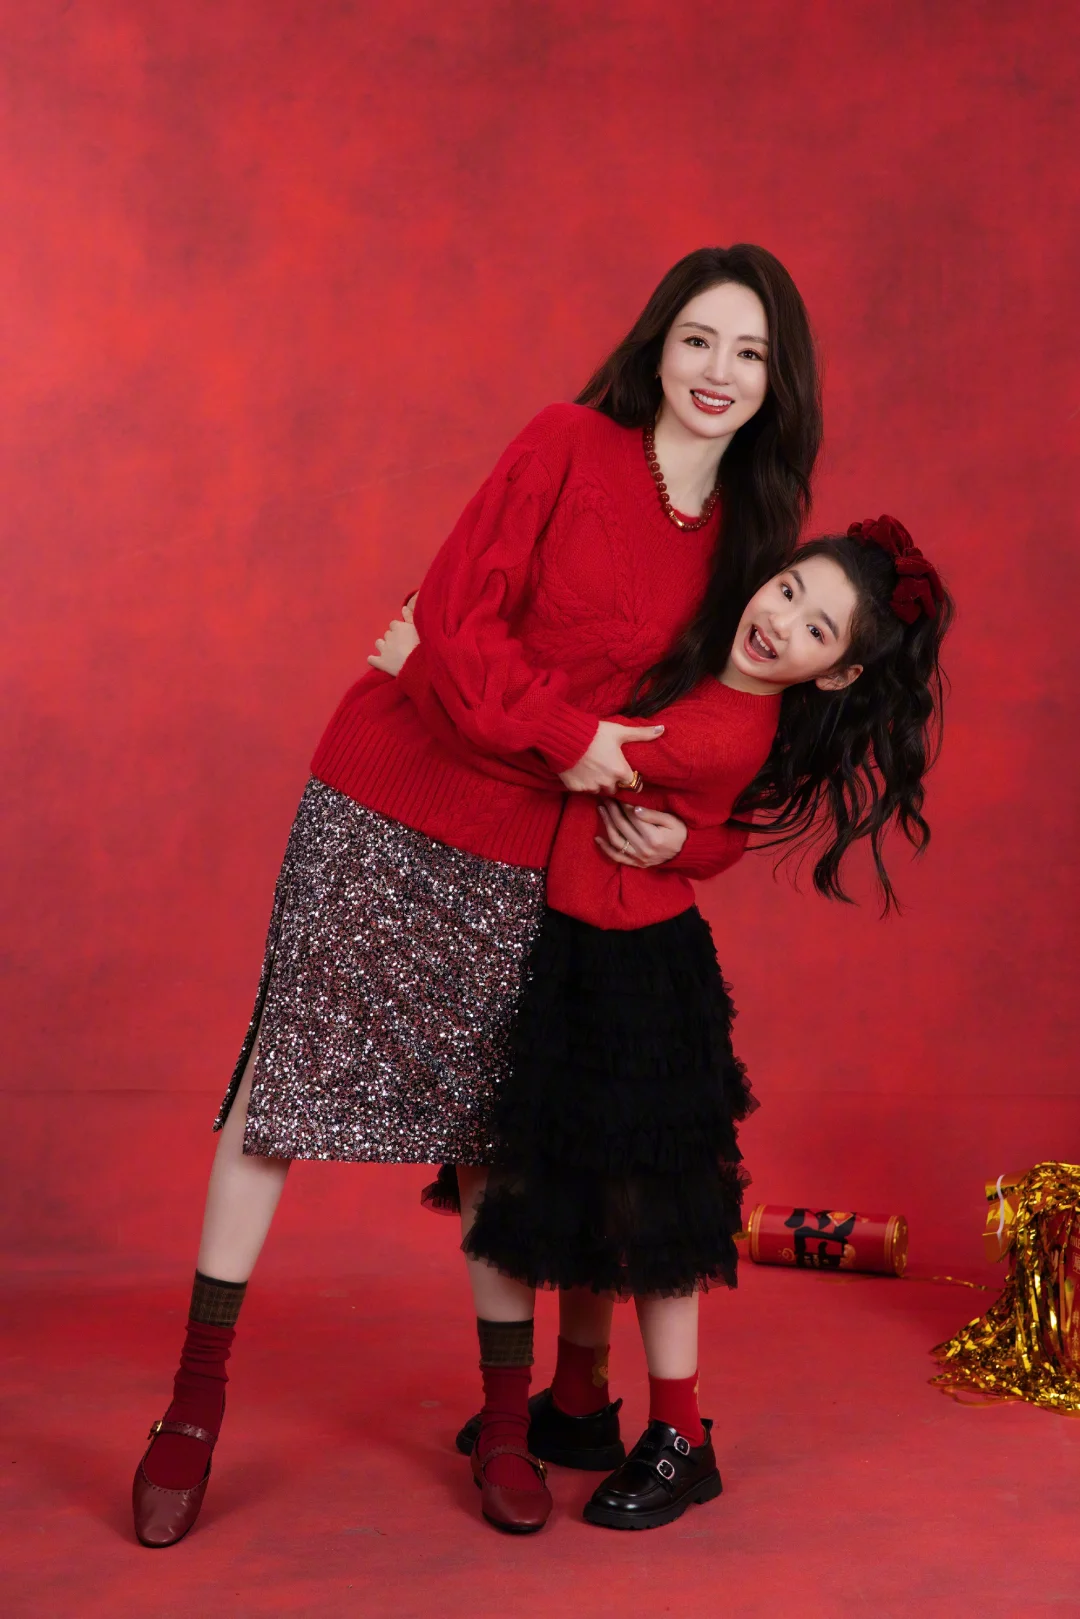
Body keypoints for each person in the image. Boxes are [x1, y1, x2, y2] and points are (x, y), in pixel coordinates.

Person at [130, 244, 822, 1549]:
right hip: (385, 793)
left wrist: (691, 840)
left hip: (526, 848)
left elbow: (738, 751)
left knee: (490, 1124)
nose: (719, 372)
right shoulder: (566, 442)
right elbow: (452, 625)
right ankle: (194, 1399)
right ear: (657, 343)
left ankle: (510, 1420)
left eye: (750, 353)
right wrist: (577, 740)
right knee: (281, 1084)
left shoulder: (753, 550)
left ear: (779, 383)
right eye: (699, 339)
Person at [384, 517, 952, 1532]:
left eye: (817, 629)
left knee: (646, 1205)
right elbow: (693, 805)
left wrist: (424, 671)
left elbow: (554, 756)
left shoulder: (722, 725)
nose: (782, 622)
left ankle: (684, 1435)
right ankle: (577, 1401)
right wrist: (696, 839)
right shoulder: (696, 660)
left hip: (635, 977)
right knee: (577, 1178)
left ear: (835, 673)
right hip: (576, 948)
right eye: (789, 590)